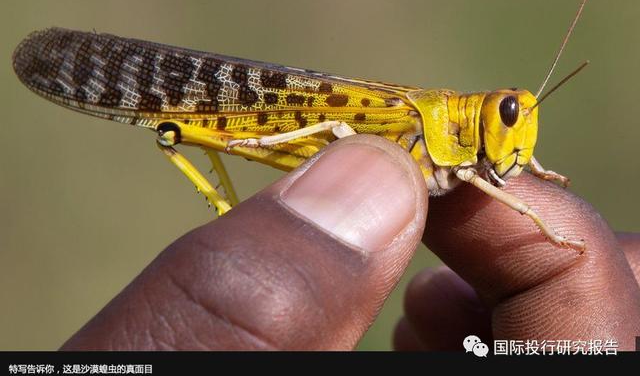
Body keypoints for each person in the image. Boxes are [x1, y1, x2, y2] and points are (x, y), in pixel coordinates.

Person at [60, 135, 640, 351]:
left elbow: (494, 177)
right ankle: (223, 207)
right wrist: (551, 232)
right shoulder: (441, 130)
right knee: (178, 130)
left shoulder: (472, 150)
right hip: (299, 122)